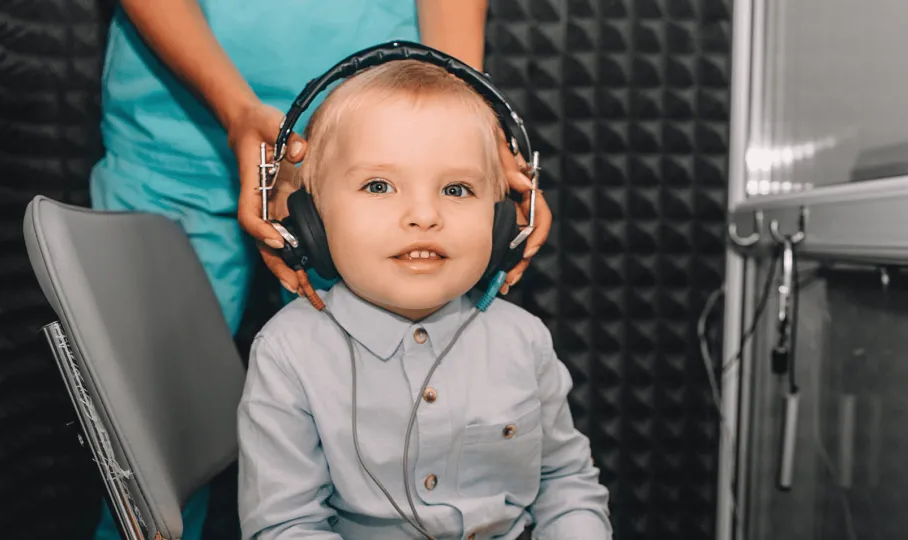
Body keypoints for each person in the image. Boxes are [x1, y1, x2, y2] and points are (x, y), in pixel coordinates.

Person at [87, 2, 553, 539]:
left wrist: (466, 128)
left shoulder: (524, 343)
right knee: (145, 449)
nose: (429, 215)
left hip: (385, 130)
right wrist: (236, 110)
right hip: (172, 135)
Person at [237, 59, 612, 540]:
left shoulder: (524, 342)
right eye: (378, 185)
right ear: (310, 220)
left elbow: (565, 483)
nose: (423, 214)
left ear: (502, 224)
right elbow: (285, 526)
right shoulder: (288, 355)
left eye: (457, 189)